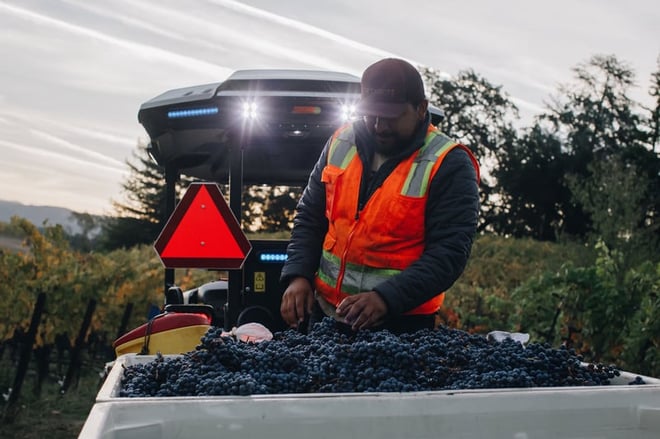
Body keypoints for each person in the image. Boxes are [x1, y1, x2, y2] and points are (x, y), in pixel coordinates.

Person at [279, 58, 480, 334]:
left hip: (402, 328)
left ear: (421, 108)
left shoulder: (449, 163)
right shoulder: (340, 142)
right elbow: (310, 217)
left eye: (391, 117)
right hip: (325, 317)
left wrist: (386, 298)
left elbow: (449, 254)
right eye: (372, 114)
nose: (379, 126)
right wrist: (298, 275)